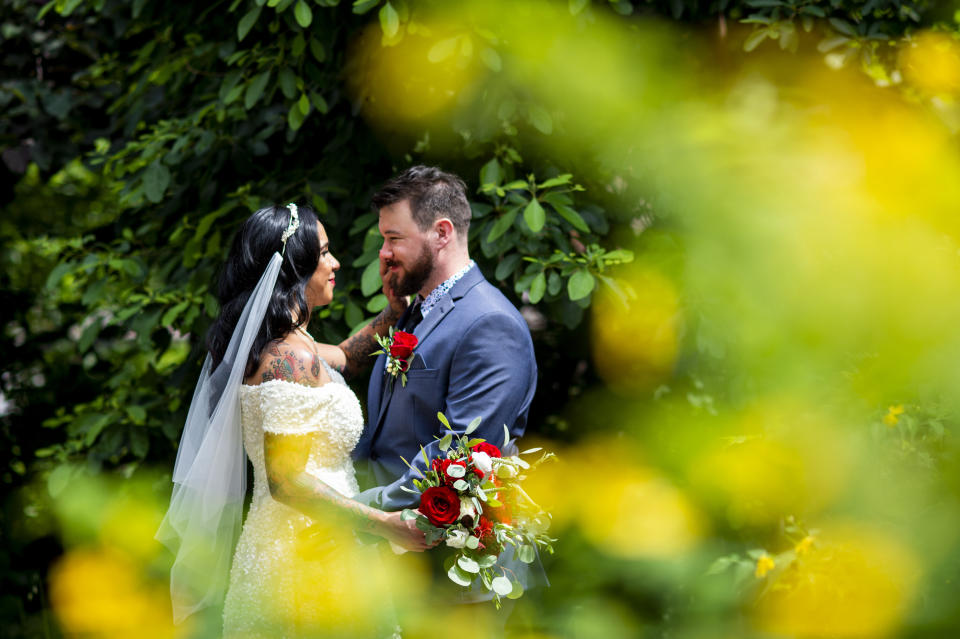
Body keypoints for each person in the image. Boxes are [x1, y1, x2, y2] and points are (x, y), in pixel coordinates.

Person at [157, 203, 430, 638]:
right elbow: (286, 480)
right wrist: (383, 524)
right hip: (304, 557)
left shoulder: (287, 348)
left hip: (306, 541)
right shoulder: (288, 358)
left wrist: (395, 312)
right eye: (323, 253)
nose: (335, 263)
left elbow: (345, 358)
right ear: (294, 269)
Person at [352, 166, 539, 618]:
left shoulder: (489, 323)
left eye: (394, 238)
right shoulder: (412, 312)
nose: (384, 253)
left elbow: (456, 451)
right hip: (403, 563)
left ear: (441, 232)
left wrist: (350, 512)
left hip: (463, 578)